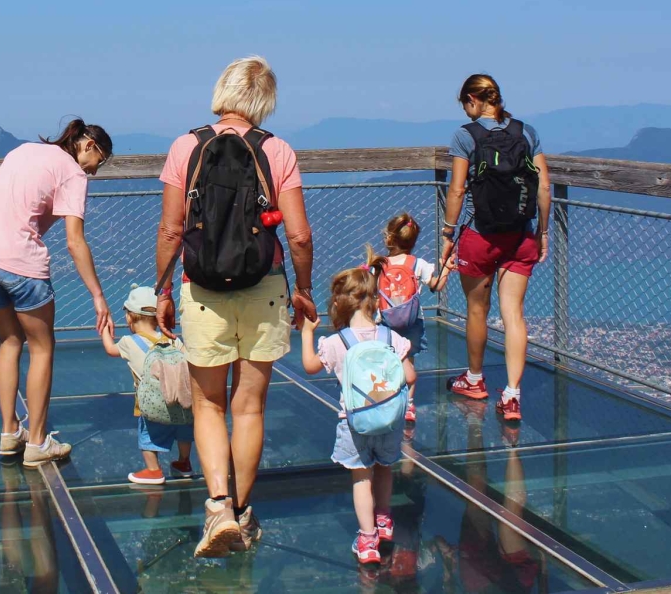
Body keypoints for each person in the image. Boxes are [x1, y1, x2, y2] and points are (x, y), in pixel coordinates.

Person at [153, 55, 317, 558]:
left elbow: (171, 229)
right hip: (263, 286)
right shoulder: (277, 151)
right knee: (249, 407)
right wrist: (303, 289)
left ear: (222, 90)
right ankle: (243, 514)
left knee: (209, 404)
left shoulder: (188, 146)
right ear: (264, 101)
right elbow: (299, 234)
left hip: (202, 290)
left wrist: (162, 292)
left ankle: (218, 506)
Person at [0, 119, 115, 467]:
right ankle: (36, 442)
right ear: (89, 145)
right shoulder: (73, 174)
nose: (95, 171)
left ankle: (9, 434)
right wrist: (97, 295)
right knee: (42, 347)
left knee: (9, 341)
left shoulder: (23, 150)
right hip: (22, 267)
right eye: (101, 161)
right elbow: (74, 241)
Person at [436, 74, 551, 423]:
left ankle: (474, 379)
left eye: (465, 104)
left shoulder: (465, 136)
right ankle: (513, 394)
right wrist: (542, 232)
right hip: (521, 235)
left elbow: (456, 190)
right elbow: (544, 186)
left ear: (474, 99)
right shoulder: (526, 132)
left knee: (476, 310)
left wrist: (447, 233)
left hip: (481, 236)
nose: (466, 111)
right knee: (513, 313)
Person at [299, 266, 415, 566]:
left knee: (361, 477)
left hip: (354, 423)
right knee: (385, 468)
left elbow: (310, 366)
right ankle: (385, 519)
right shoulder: (391, 338)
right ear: (375, 301)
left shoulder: (338, 342)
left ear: (339, 303)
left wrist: (306, 333)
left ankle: (367, 539)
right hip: (390, 421)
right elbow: (410, 375)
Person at [98, 285, 195, 485]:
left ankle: (153, 470)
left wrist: (105, 330)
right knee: (184, 432)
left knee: (148, 434)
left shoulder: (128, 342)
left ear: (129, 318)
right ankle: (184, 463)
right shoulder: (172, 340)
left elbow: (110, 349)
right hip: (181, 400)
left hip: (153, 403)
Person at [363, 212, 449, 425]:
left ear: (388, 238)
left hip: (385, 322)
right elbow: (436, 286)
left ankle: (386, 399)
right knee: (408, 361)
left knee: (385, 362)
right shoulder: (417, 263)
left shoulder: (379, 265)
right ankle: (409, 404)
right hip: (412, 322)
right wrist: (446, 268)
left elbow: (371, 293)